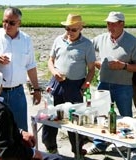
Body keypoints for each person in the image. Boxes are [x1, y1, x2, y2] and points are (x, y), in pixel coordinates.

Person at [0, 68, 62, 160]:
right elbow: (5, 152)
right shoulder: (0, 111)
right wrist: (32, 153)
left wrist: (20, 132)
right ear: (0, 88)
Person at [87, 11, 136, 155]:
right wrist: (95, 62)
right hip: (104, 85)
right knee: (101, 115)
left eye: (113, 24)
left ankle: (128, 146)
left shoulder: (132, 42)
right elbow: (86, 48)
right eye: (108, 24)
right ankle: (100, 144)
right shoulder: (101, 39)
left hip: (123, 86)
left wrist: (123, 66)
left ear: (122, 24)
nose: (110, 27)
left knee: (126, 117)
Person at [41, 14, 96, 159]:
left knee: (75, 121)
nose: (70, 32)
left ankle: (77, 151)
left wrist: (84, 87)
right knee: (51, 116)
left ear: (81, 28)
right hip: (57, 83)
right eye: (67, 29)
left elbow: (91, 69)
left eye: (73, 30)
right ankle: (51, 148)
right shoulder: (59, 40)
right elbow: (50, 60)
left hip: (75, 85)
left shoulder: (87, 44)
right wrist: (54, 72)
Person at [0, 7, 41, 131]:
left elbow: (30, 65)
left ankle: (22, 151)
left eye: (11, 23)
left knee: (21, 129)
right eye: (4, 21)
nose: (7, 25)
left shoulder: (26, 40)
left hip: (17, 92)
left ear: (19, 23)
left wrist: (36, 89)